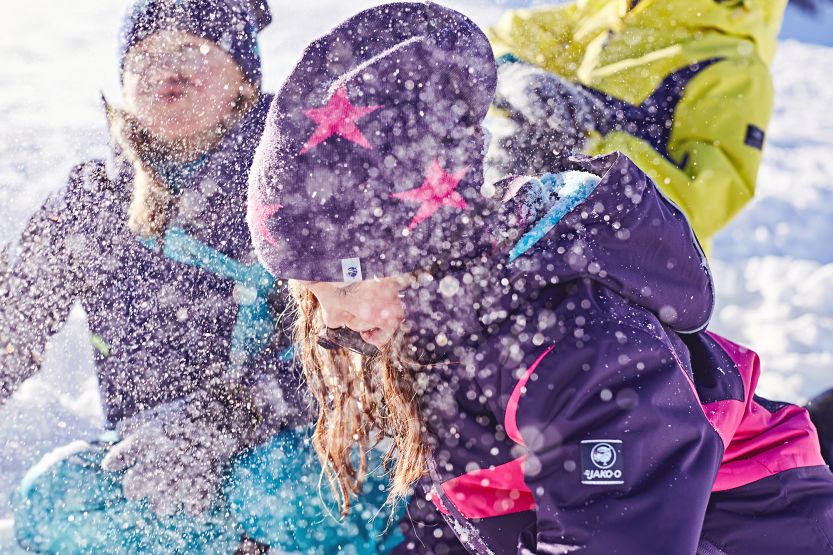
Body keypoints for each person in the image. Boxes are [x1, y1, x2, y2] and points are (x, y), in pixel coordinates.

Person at [246, 2, 833, 553]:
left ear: (419, 248)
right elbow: (486, 46)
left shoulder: (581, 352)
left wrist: (595, 138)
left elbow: (709, 186)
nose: (330, 320)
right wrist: (519, 80)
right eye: (312, 294)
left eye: (345, 284)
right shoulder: (435, 328)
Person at [0, 1, 400, 553]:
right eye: (145, 57)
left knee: (279, 492)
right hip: (155, 466)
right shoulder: (94, 199)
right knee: (53, 501)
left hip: (297, 446)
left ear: (243, 78)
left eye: (192, 49)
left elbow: (358, 342)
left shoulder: (304, 173)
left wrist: (223, 420)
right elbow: (12, 320)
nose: (168, 69)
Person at [485, 0, 788, 254]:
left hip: (627, 274)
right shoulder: (609, 12)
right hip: (524, 233)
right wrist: (512, 73)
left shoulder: (733, 66)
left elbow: (702, 203)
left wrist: (592, 142)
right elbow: (500, 40)